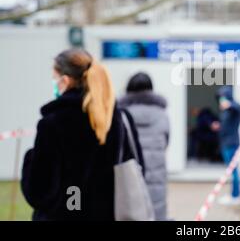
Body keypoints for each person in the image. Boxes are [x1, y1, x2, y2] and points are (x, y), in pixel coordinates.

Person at [21, 48, 144, 221]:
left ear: (65, 80)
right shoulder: (118, 118)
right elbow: (137, 170)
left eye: (54, 79)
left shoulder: (53, 123)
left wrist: (29, 158)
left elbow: (40, 191)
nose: (54, 83)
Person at [119, 72, 170, 221]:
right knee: (157, 210)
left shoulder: (120, 114)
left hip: (129, 174)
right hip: (156, 173)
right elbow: (166, 141)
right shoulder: (162, 114)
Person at [213, 86, 240, 205]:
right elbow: (226, 125)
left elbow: (237, 108)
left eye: (223, 97)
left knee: (233, 171)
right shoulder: (225, 112)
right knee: (230, 171)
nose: (221, 99)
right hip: (225, 143)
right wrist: (218, 126)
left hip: (232, 144)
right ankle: (233, 194)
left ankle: (236, 196)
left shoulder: (234, 107)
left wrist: (229, 105)